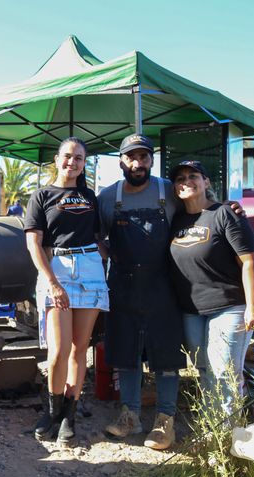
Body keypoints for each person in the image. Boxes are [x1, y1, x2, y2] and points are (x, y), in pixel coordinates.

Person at [98, 133, 185, 450]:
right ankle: (130, 416)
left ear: (151, 160)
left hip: (164, 283)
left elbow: (202, 209)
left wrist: (229, 207)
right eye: (131, 157)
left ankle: (165, 421)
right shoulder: (109, 197)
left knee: (166, 356)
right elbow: (94, 235)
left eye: (144, 157)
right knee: (126, 353)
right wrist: (109, 255)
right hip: (122, 284)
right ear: (121, 161)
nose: (138, 163)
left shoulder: (168, 190)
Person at [23, 137, 108, 445]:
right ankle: (52, 410)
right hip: (56, 267)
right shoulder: (42, 195)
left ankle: (69, 416)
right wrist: (52, 283)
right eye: (68, 156)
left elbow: (98, 237)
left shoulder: (90, 196)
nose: (73, 162)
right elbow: (34, 243)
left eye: (79, 158)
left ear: (84, 164)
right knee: (57, 352)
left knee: (79, 349)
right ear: (57, 160)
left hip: (90, 269)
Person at [168, 161, 254, 414]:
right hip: (192, 311)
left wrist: (253, 307)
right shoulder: (176, 220)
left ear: (206, 182)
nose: (186, 181)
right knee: (203, 370)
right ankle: (215, 432)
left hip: (230, 308)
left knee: (225, 373)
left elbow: (249, 262)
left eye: (193, 176)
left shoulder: (225, 214)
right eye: (180, 178)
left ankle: (228, 437)